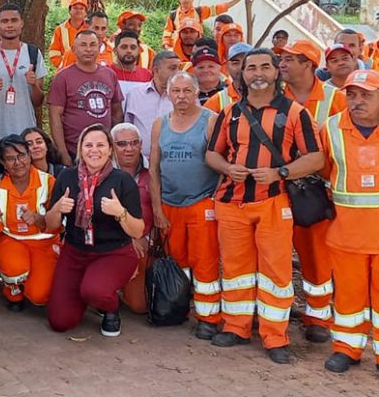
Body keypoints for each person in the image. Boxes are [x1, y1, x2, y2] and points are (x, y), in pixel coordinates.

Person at [205, 48, 324, 364]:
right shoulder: (229, 112)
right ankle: (236, 327)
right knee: (235, 271)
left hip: (274, 201)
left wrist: (279, 172)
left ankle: (275, 337)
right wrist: (227, 168)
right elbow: (211, 154)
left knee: (276, 271)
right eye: (250, 68)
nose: (257, 73)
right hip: (231, 203)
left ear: (276, 72)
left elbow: (316, 157)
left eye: (264, 67)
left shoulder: (296, 112)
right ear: (241, 75)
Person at [45, 123, 144, 334]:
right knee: (60, 322)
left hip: (113, 253)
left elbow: (137, 231)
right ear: (81, 149)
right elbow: (51, 224)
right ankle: (87, 292)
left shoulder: (123, 180)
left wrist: (120, 212)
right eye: (88, 145)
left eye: (100, 145)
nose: (94, 150)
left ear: (110, 150)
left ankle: (110, 307)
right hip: (75, 252)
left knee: (95, 291)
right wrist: (57, 209)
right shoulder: (66, 177)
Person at [279, 40, 347, 342]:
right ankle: (274, 313)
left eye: (289, 59)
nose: (282, 64)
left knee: (316, 256)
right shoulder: (275, 95)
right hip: (278, 187)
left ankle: (317, 317)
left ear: (308, 63)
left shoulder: (336, 99)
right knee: (276, 255)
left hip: (317, 192)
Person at [149, 72, 222, 338]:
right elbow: (154, 168)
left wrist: (215, 200)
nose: (181, 96)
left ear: (196, 92)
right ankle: (180, 308)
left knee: (205, 261)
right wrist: (157, 207)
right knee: (178, 261)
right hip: (169, 204)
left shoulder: (210, 121)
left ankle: (209, 317)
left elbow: (222, 162)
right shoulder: (160, 124)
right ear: (168, 94)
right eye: (176, 91)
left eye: (186, 91)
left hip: (202, 201)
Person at [319, 69, 379, 373]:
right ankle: (346, 348)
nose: (357, 101)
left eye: (366, 95)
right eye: (352, 95)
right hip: (346, 236)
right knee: (347, 299)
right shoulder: (330, 128)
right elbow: (322, 170)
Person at [0, 135, 59, 311]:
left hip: (44, 242)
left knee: (39, 296)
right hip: (12, 239)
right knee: (15, 269)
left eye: (22, 156)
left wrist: (39, 219)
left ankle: (31, 283)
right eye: (10, 158)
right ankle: (12, 291)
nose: (17, 163)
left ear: (30, 155)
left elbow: (59, 223)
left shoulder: (48, 181)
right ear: (2, 162)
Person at [0, 3, 46, 170]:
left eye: (14, 20)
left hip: (25, 134)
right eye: (5, 21)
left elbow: (38, 101)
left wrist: (34, 84)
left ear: (21, 23)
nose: (9, 25)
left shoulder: (33, 53)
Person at [48, 29, 122, 165]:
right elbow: (55, 117)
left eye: (93, 44)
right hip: (74, 150)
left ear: (99, 47)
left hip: (104, 151)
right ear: (74, 49)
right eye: (83, 45)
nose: (88, 49)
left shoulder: (110, 75)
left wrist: (113, 145)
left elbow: (117, 110)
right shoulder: (63, 77)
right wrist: (63, 152)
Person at [110, 123, 153, 315]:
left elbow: (160, 211)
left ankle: (124, 288)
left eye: (134, 143)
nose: (129, 149)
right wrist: (128, 239)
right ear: (112, 146)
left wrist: (146, 239)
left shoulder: (153, 171)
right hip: (114, 243)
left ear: (141, 144)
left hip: (146, 242)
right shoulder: (103, 173)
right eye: (122, 144)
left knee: (140, 306)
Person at [124, 50, 179, 159]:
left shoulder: (185, 96)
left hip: (174, 161)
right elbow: (127, 127)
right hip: (140, 161)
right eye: (172, 68)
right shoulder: (135, 94)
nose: (177, 73)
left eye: (179, 68)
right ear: (156, 70)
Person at [163, 0, 244, 49]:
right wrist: (167, 47)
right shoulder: (173, 15)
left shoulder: (199, 11)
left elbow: (218, 8)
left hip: (196, 48)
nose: (186, 0)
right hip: (178, 49)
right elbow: (167, 33)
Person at [205, 42, 250, 114]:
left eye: (247, 62)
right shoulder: (216, 102)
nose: (241, 67)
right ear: (227, 67)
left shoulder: (269, 97)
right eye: (235, 63)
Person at [109, 30, 153, 96]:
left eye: (133, 47)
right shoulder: (107, 72)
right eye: (124, 47)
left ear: (139, 50)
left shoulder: (148, 75)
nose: (129, 51)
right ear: (115, 50)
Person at [48, 0, 88, 69]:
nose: (78, 10)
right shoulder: (60, 30)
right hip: (66, 71)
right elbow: (54, 54)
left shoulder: (91, 29)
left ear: (85, 13)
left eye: (81, 8)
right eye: (75, 8)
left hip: (87, 70)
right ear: (70, 11)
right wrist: (64, 66)